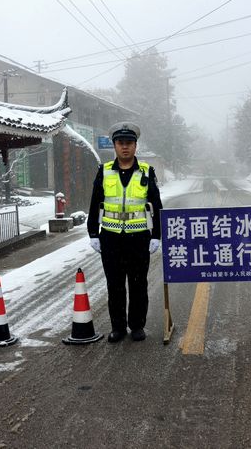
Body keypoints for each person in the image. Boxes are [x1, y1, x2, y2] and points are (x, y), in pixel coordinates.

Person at [87, 122, 163, 343]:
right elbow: (95, 203)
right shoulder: (105, 171)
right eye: (120, 143)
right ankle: (118, 327)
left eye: (129, 143)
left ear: (136, 146)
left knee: (139, 284)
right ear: (114, 146)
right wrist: (93, 233)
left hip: (139, 237)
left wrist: (156, 235)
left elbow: (156, 206)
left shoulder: (147, 172)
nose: (125, 147)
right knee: (115, 285)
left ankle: (137, 325)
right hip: (111, 237)